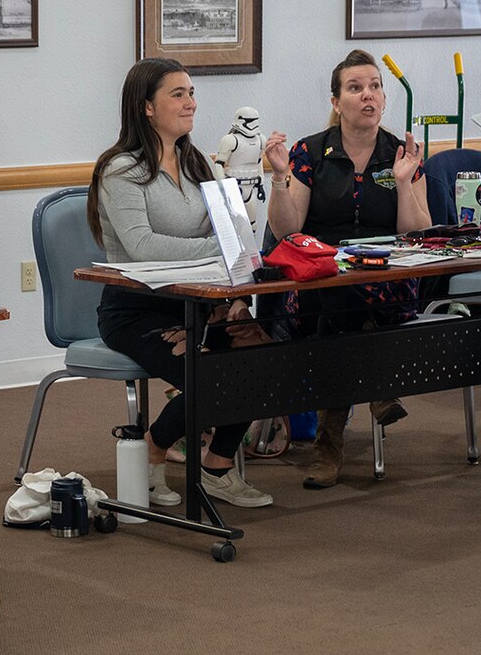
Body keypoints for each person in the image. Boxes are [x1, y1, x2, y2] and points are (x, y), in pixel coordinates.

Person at [87, 58, 273, 510]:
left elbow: (229, 231)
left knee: (261, 360)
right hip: (137, 309)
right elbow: (142, 246)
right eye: (178, 94)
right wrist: (218, 253)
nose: (191, 103)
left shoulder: (199, 163)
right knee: (211, 376)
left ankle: (217, 468)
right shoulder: (120, 169)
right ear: (146, 107)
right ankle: (155, 446)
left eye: (191, 93)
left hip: (201, 297)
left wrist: (234, 291)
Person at [263, 50, 428, 488]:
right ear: (337, 102)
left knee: (346, 305)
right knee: (337, 293)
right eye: (355, 88)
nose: (367, 95)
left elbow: (415, 235)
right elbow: (287, 229)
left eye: (374, 86)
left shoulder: (402, 153)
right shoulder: (309, 152)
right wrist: (279, 179)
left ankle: (328, 446)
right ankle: (376, 391)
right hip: (319, 280)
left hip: (386, 280)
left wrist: (407, 183)